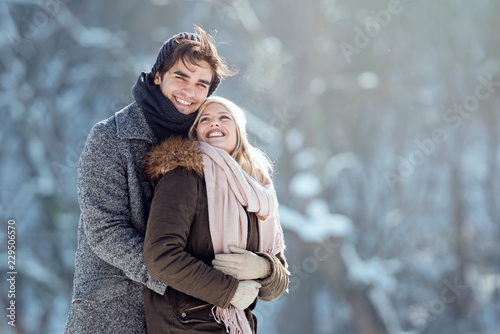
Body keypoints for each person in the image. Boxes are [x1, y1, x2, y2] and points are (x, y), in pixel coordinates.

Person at [64, 26, 237, 334]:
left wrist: (264, 270)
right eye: (180, 77)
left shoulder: (208, 145)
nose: (189, 91)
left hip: (186, 320)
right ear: (158, 76)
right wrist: (179, 278)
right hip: (113, 313)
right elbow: (106, 231)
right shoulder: (110, 137)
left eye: (201, 84)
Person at [142, 96, 289, 333]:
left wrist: (263, 268)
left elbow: (275, 288)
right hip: (184, 324)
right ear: (196, 131)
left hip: (233, 326)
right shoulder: (184, 176)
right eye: (204, 119)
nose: (214, 123)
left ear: (239, 130)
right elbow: (161, 256)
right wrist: (230, 290)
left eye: (224, 118)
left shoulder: (257, 189)